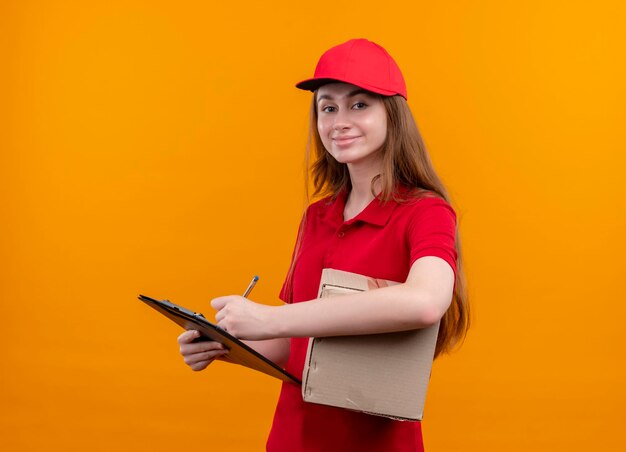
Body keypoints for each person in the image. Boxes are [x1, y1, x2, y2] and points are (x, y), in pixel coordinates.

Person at [177, 38, 469, 452]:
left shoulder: (426, 212)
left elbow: (425, 301)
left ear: (394, 114)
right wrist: (224, 341)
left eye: (359, 105)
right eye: (327, 108)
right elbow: (291, 345)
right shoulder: (317, 217)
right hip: (293, 439)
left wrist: (270, 318)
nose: (339, 121)